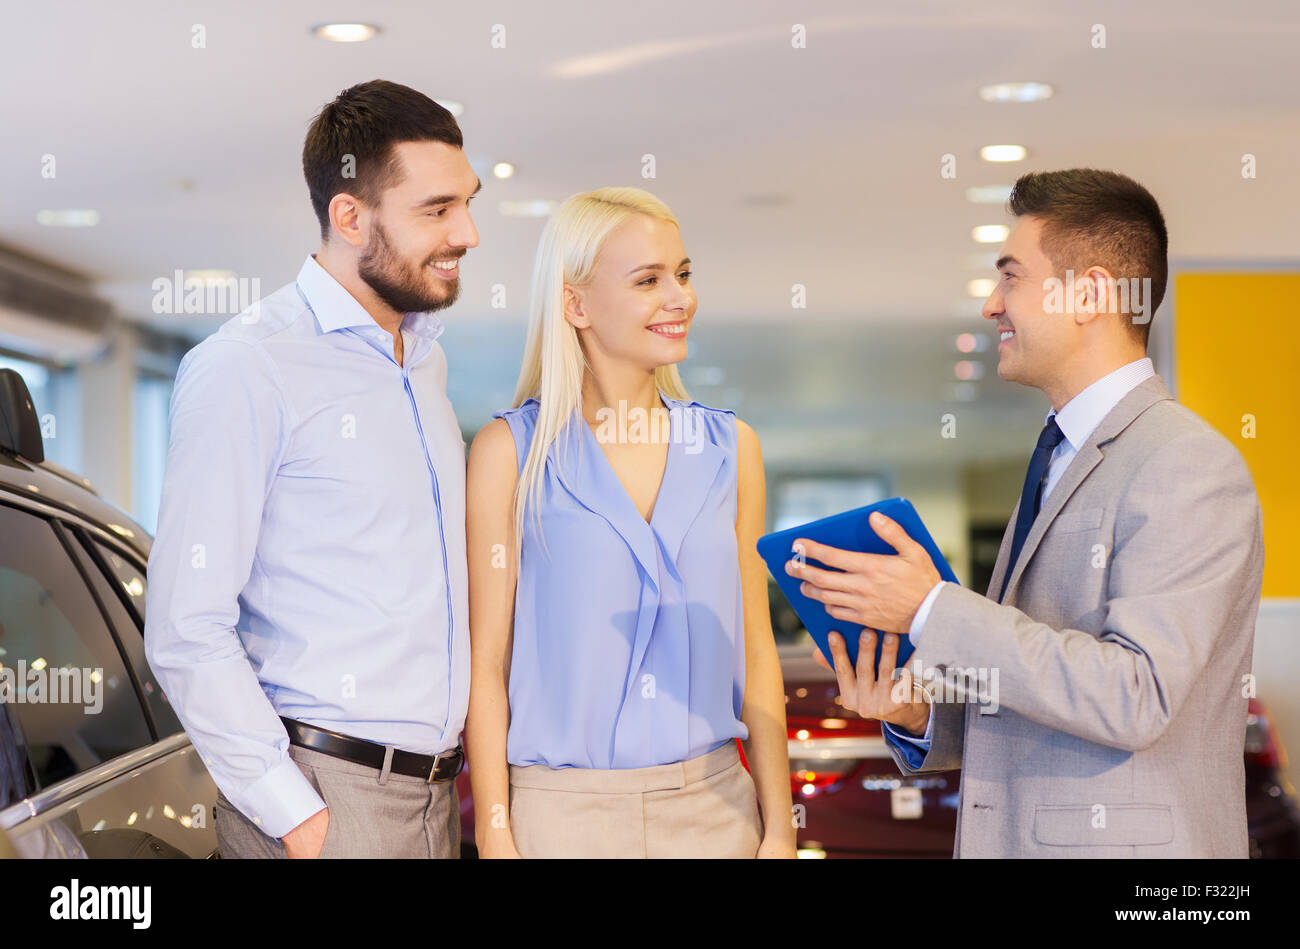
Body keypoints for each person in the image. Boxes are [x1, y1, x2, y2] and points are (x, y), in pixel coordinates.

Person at [790, 169, 1264, 857]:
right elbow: (1035, 698)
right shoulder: (1058, 454)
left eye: (1011, 276)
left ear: (1092, 293)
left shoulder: (1187, 462)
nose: (990, 304)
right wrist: (914, 708)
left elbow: (1136, 694)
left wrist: (932, 610)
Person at [144, 80, 480, 858]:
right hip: (325, 795)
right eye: (436, 210)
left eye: (467, 202)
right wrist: (295, 813)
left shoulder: (425, 363)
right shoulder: (247, 364)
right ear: (350, 216)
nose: (466, 231)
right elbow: (186, 624)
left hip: (433, 800)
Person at [464, 187, 795, 858]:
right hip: (561, 817)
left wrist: (780, 826)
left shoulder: (732, 450)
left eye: (683, 273)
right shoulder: (510, 454)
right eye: (648, 280)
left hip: (715, 808)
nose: (680, 297)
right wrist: (494, 828)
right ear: (575, 304)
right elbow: (486, 664)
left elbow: (756, 650)